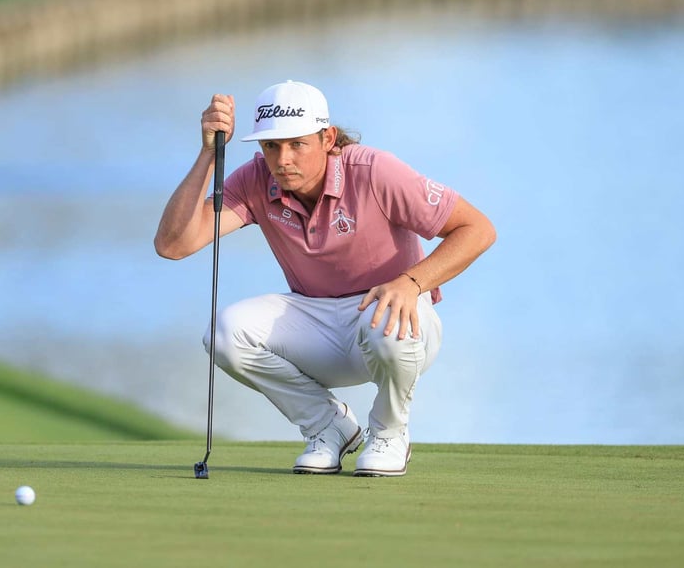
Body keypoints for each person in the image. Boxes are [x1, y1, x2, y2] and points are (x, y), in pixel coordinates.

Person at [154, 80, 495, 476]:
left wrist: (411, 282)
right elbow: (174, 244)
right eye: (271, 146)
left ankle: (389, 433)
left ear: (327, 138)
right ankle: (329, 428)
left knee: (387, 316)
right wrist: (209, 155)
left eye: (297, 144)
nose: (282, 160)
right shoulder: (255, 180)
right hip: (317, 322)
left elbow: (477, 228)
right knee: (225, 333)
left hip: (393, 322)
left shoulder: (374, 171)